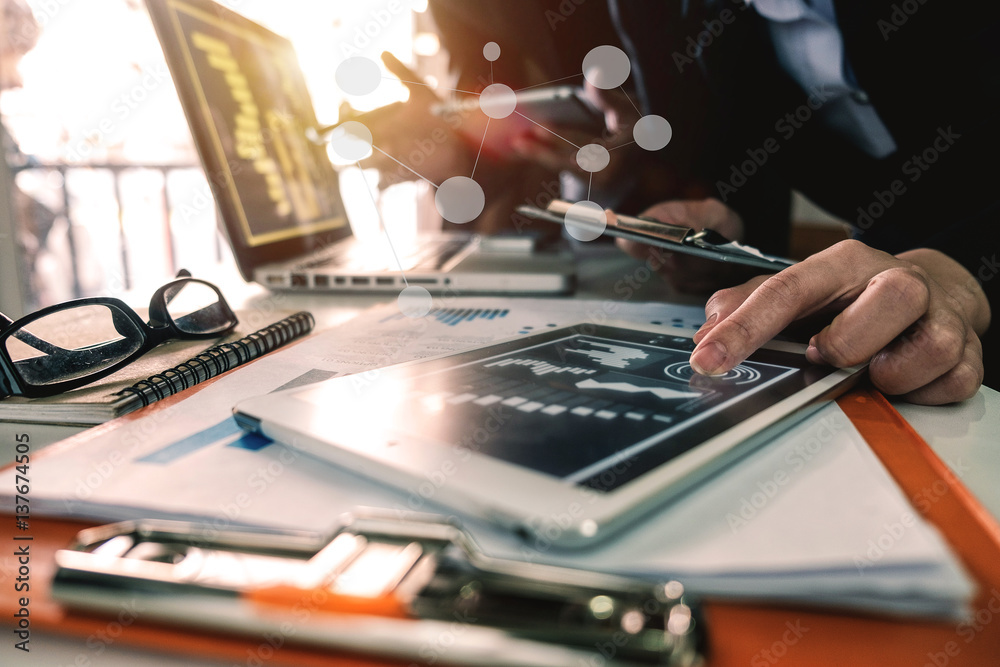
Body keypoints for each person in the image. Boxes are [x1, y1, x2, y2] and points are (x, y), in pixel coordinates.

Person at [597, 0, 998, 405]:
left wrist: (957, 268)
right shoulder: (647, 10)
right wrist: (729, 232)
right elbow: (726, 153)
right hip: (879, 307)